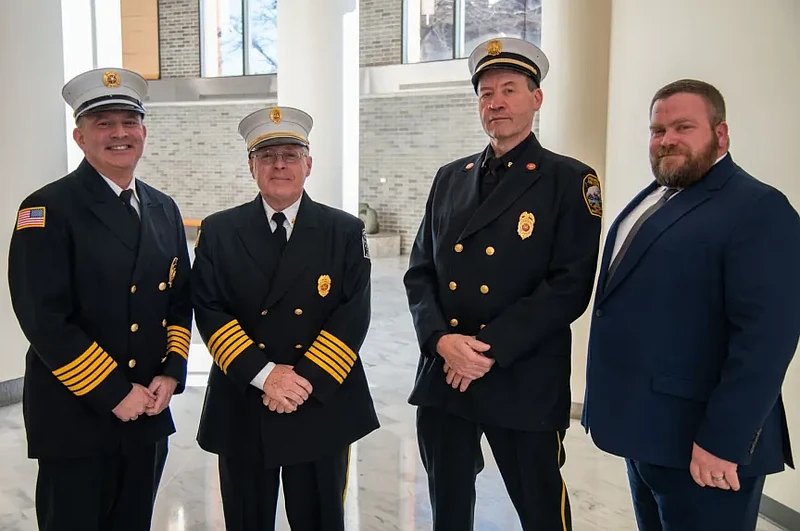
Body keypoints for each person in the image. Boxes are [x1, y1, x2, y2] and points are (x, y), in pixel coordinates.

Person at [403, 37, 603, 531]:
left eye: (510, 89)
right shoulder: (450, 177)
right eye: (486, 93)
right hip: (445, 374)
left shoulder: (570, 180)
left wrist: (483, 351)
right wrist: (442, 341)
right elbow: (420, 270)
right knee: (446, 506)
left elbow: (569, 285)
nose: (496, 102)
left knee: (540, 507)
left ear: (536, 98)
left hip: (522, 377)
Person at [582, 79, 800, 530]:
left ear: (720, 135)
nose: (667, 140)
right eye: (658, 130)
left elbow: (766, 340)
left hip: (704, 448)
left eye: (683, 127)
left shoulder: (758, 207)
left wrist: (724, 441)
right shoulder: (657, 196)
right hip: (649, 435)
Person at [7, 67, 193, 531]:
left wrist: (170, 374)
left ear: (143, 132)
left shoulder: (163, 207)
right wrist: (112, 391)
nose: (119, 134)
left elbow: (178, 300)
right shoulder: (45, 209)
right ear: (80, 136)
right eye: (103, 124)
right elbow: (43, 316)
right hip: (77, 412)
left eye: (128, 122)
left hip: (148, 408)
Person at [192, 105, 379, 531]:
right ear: (251, 166)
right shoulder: (219, 231)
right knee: (245, 519)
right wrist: (265, 377)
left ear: (308, 165)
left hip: (318, 401)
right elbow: (209, 308)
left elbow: (353, 315)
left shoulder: (344, 231)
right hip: (244, 400)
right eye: (267, 155)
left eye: (291, 155)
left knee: (320, 519)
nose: (280, 165)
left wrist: (298, 382)